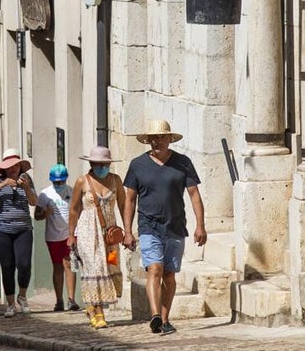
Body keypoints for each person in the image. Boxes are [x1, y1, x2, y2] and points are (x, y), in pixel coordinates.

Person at [122, 120, 206, 336]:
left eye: (162, 137)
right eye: (154, 138)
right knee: (155, 269)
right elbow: (130, 200)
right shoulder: (137, 165)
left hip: (176, 226)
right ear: (148, 140)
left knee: (169, 275)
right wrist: (128, 231)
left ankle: (165, 319)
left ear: (170, 139)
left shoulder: (183, 163)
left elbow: (194, 194)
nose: (158, 141)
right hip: (149, 225)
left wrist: (200, 226)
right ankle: (155, 315)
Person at [66, 145, 126, 329]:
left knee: (108, 266)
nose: (101, 167)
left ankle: (92, 307)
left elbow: (124, 206)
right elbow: (75, 209)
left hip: (109, 233)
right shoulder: (82, 182)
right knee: (94, 268)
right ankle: (99, 313)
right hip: (87, 231)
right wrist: (71, 234)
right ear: (91, 163)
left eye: (104, 164)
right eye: (98, 164)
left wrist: (127, 231)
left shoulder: (116, 180)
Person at [0, 148, 37, 317]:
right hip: (3, 230)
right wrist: (3, 184)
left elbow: (34, 202)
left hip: (24, 230)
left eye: (16, 166)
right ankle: (11, 303)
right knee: (7, 266)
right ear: (4, 168)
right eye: (10, 167)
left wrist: (27, 188)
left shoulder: (26, 180)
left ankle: (22, 296)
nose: (14, 169)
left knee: (24, 265)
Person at [34, 163, 80, 312]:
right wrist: (45, 213)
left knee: (69, 264)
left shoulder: (72, 192)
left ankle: (71, 299)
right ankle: (59, 300)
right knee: (58, 267)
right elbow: (37, 216)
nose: (58, 184)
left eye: (61, 181)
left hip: (70, 234)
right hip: (53, 236)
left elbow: (78, 212)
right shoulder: (45, 194)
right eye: (56, 182)